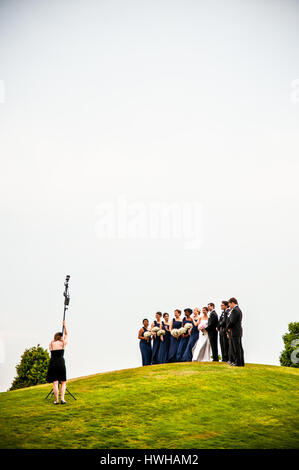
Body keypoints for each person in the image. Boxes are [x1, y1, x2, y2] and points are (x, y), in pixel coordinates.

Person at [46, 320, 68, 404]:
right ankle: (62, 399)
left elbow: (51, 351)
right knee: (63, 382)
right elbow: (66, 335)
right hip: (61, 363)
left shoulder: (51, 343)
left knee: (55, 383)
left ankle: (56, 401)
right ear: (60, 337)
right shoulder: (63, 343)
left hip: (53, 363)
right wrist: (64, 326)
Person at [226, 297, 244, 366]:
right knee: (238, 347)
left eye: (229, 304)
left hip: (235, 331)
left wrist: (227, 327)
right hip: (237, 331)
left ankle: (238, 362)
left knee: (236, 348)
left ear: (233, 303)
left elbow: (232, 321)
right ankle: (240, 362)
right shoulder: (238, 310)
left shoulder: (235, 310)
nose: (229, 306)